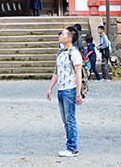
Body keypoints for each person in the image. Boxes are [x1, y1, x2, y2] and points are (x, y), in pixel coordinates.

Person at [46, 26, 84, 158]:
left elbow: (78, 74)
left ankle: (72, 148)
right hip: (61, 89)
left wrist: (78, 93)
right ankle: (70, 146)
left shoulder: (74, 54)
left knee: (70, 119)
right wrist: (50, 88)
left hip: (70, 89)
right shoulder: (60, 52)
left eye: (62, 34)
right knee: (65, 120)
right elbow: (56, 72)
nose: (59, 35)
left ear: (69, 38)